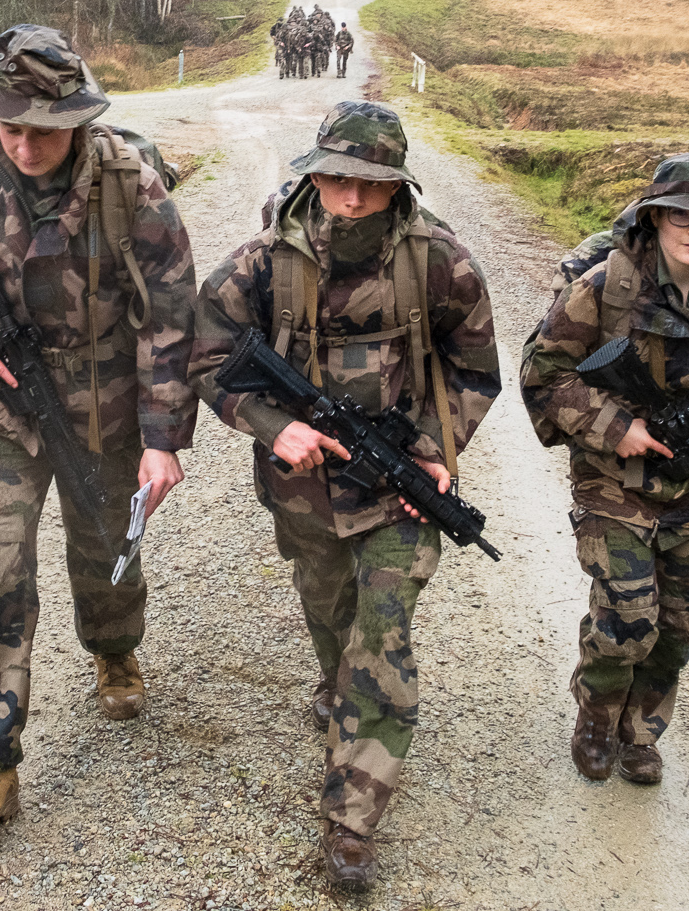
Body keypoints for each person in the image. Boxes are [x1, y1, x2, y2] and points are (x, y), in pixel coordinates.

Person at [189, 101, 497, 891]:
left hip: (402, 491)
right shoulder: (266, 259)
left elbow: (474, 369)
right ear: (314, 172)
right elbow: (204, 351)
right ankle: (339, 684)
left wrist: (433, 448)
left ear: (397, 184)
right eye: (335, 178)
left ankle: (352, 816)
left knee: (381, 629)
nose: (351, 197)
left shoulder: (441, 263)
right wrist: (268, 424)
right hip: (302, 492)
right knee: (330, 610)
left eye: (370, 183)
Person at [0, 25, 198, 853]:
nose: (24, 142)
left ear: (77, 119)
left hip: (106, 410)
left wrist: (161, 437)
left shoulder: (131, 187)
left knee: (105, 546)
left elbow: (172, 317)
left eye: (42, 127)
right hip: (4, 408)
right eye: (10, 124)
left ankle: (114, 647)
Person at [520, 153, 689, 786]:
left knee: (677, 624)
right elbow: (544, 375)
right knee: (627, 615)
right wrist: (619, 430)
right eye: (680, 215)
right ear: (656, 215)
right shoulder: (604, 285)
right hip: (614, 479)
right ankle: (597, 712)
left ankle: (640, 733)